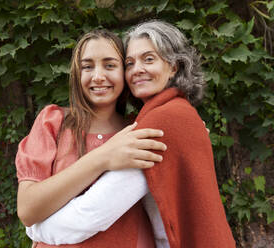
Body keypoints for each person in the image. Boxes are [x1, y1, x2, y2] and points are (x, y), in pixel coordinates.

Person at [25, 20, 236, 248]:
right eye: (130, 62)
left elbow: (91, 214)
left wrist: (36, 229)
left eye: (149, 59)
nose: (137, 70)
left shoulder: (160, 123)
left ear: (174, 66)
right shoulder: (165, 117)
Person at [15, 29, 168, 248]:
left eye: (109, 65)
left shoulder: (139, 129)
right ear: (77, 74)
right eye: (87, 66)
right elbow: (28, 210)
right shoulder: (54, 122)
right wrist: (103, 158)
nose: (98, 76)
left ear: (125, 72)